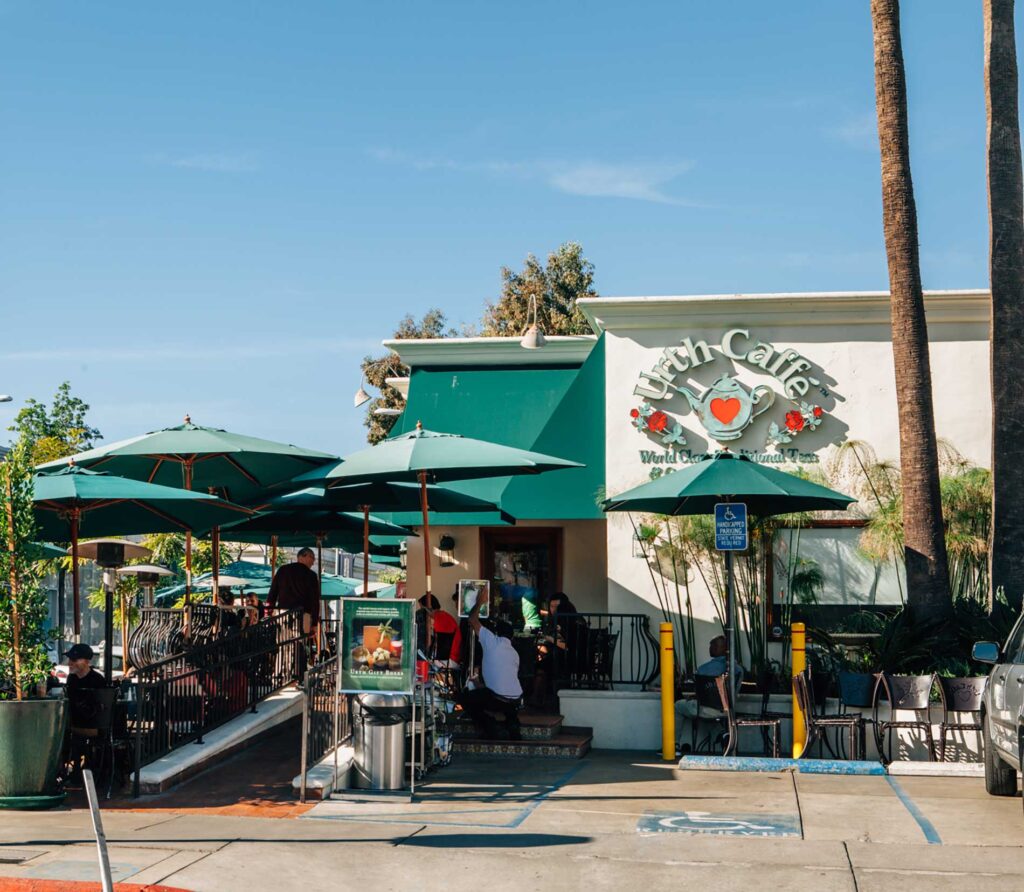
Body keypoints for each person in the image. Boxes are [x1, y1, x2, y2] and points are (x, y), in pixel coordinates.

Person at [457, 589, 522, 740]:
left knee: (465, 697)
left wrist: (480, 601)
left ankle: (491, 727)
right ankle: (513, 725)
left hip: (498, 698)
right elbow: (502, 680)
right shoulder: (514, 653)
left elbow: (472, 620)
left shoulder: (492, 641)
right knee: (502, 700)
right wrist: (480, 685)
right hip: (516, 698)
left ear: (496, 633)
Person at [676, 635, 744, 721]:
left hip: (706, 710)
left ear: (719, 648)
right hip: (728, 711)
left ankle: (673, 734)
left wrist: (695, 696)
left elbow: (700, 692)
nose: (710, 648)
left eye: (712, 645)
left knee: (677, 705)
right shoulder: (738, 669)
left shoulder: (703, 669)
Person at [267, 547, 320, 634]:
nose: (313, 562)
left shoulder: (283, 570)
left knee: (283, 643)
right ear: (302, 556)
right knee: (300, 643)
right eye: (312, 558)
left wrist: (269, 610)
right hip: (304, 614)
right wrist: (314, 623)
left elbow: (273, 592)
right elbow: (314, 600)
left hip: (283, 613)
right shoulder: (311, 575)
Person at [417, 594, 462, 667]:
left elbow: (438, 646)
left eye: (422, 609)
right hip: (451, 658)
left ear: (429, 607)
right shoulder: (445, 616)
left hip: (448, 660)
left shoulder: (439, 618)